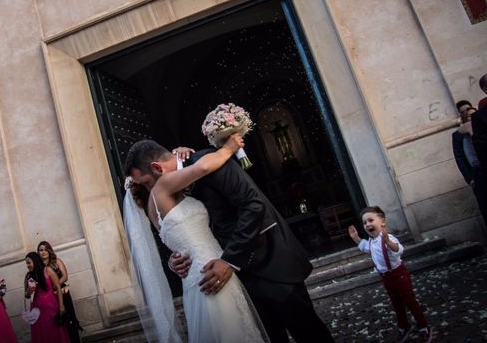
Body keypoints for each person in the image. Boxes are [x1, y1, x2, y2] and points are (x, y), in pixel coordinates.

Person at [144, 135, 335, 343]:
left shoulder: (208, 160)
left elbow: (253, 206)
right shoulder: (177, 186)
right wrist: (176, 259)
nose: (152, 192)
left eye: (146, 183)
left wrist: (230, 261)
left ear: (157, 168)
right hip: (233, 281)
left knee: (309, 333)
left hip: (269, 262)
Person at [125, 134, 271, 343]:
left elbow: (175, 244)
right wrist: (229, 148)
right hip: (210, 271)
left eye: (146, 182)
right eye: (144, 184)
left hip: (196, 277)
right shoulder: (162, 186)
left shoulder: (152, 205)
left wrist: (173, 261)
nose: (148, 188)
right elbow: (202, 168)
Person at [348, 206, 432, 342]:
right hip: (386, 277)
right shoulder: (371, 241)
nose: (368, 224)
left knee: (410, 301)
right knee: (396, 303)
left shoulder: (388, 237)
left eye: (370, 220)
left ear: (382, 222)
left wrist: (388, 242)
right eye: (364, 222)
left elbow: (399, 250)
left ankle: (423, 325)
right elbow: (365, 248)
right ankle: (404, 326)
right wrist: (356, 238)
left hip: (399, 274)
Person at [37, 241, 82, 342]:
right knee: (56, 323)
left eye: (45, 250)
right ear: (38, 252)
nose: (43, 252)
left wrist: (54, 286)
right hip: (49, 298)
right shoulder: (39, 267)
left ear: (49, 251)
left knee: (69, 319)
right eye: (40, 250)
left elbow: (65, 277)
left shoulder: (57, 261)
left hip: (62, 292)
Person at [453, 101, 487, 225]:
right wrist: (470, 179)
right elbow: (460, 158)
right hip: (477, 173)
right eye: (463, 112)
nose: (467, 114)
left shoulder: (482, 127)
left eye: (469, 111)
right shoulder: (459, 134)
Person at [24, 251, 70, 343]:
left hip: (51, 307)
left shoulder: (47, 270)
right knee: (42, 333)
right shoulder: (28, 276)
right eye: (26, 264)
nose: (27, 265)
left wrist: (61, 307)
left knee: (54, 332)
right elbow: (26, 295)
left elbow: (57, 287)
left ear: (35, 261)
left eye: (29, 262)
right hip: (37, 310)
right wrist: (28, 293)